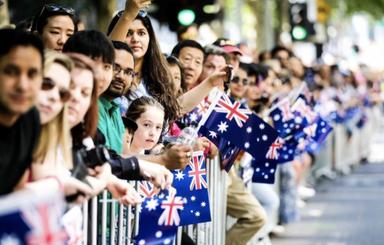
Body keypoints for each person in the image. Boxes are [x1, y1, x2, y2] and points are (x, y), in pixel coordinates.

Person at [108, 6, 179, 123]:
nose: (135, 39)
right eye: (128, 33)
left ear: (150, 39)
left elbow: (178, 107)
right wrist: (128, 14)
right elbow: (110, 49)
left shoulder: (160, 80)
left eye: (141, 33)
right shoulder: (108, 76)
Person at [0, 29, 44, 195]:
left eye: (32, 74)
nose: (22, 85)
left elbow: (17, 191)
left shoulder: (30, 118)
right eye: (11, 72)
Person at [98, 41, 135, 154]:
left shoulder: (115, 108)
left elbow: (124, 155)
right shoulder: (93, 105)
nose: (121, 77)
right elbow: (108, 159)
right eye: (116, 68)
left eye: (128, 72)